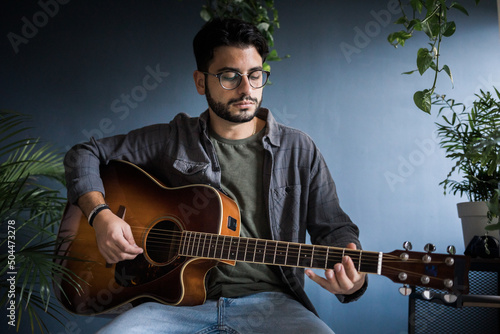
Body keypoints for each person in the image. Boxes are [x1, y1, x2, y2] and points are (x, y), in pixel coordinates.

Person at [64, 18, 367, 334]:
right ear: (200, 82)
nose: (246, 88)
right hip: (172, 306)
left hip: (272, 305)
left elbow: (334, 229)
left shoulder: (298, 149)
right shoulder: (173, 138)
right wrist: (100, 216)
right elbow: (83, 154)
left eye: (255, 75)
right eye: (229, 77)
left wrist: (353, 280)